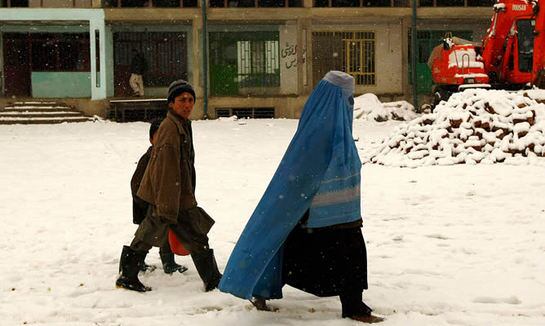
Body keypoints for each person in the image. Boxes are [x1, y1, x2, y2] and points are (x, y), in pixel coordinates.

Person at [218, 71, 384, 323]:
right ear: (334, 99)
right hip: (319, 208)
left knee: (310, 252)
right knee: (312, 252)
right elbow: (304, 168)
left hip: (341, 210)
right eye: (346, 97)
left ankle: (351, 303)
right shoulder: (322, 127)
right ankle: (351, 305)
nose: (349, 103)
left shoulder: (334, 121)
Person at [116, 79, 222, 293]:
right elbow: (165, 169)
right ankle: (127, 276)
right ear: (171, 103)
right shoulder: (169, 128)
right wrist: (166, 204)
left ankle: (212, 279)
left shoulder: (180, 124)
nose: (187, 104)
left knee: (193, 236)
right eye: (182, 100)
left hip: (177, 195)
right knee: (152, 235)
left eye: (191, 100)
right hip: (169, 196)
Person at [129, 117, 188, 275]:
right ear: (151, 139)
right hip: (148, 204)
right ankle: (132, 263)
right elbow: (135, 183)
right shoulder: (149, 158)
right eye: (158, 136)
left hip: (163, 202)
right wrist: (144, 201)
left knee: (163, 233)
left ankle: (168, 262)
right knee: (145, 237)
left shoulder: (167, 156)